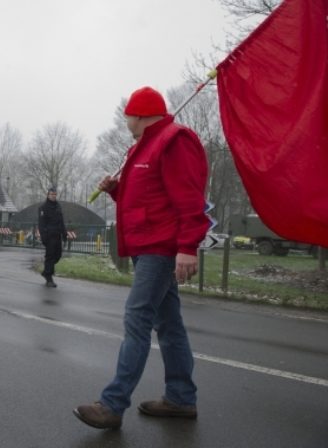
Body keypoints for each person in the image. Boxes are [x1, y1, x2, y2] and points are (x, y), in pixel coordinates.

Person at [73, 86, 210, 429]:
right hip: (148, 246)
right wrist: (116, 190)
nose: (125, 122)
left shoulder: (174, 140)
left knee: (137, 320)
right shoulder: (143, 148)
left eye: (128, 115)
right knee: (169, 324)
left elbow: (189, 198)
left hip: (161, 248)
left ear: (140, 114)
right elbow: (145, 202)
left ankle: (112, 404)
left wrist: (187, 247)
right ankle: (180, 398)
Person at [38, 187, 67, 287]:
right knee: (50, 257)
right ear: (48, 195)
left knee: (57, 256)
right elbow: (41, 224)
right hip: (49, 236)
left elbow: (61, 221)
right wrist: (43, 237)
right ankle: (49, 278)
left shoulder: (58, 206)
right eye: (51, 194)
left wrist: (64, 234)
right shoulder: (43, 208)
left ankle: (46, 271)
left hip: (57, 235)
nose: (53, 196)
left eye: (55, 194)